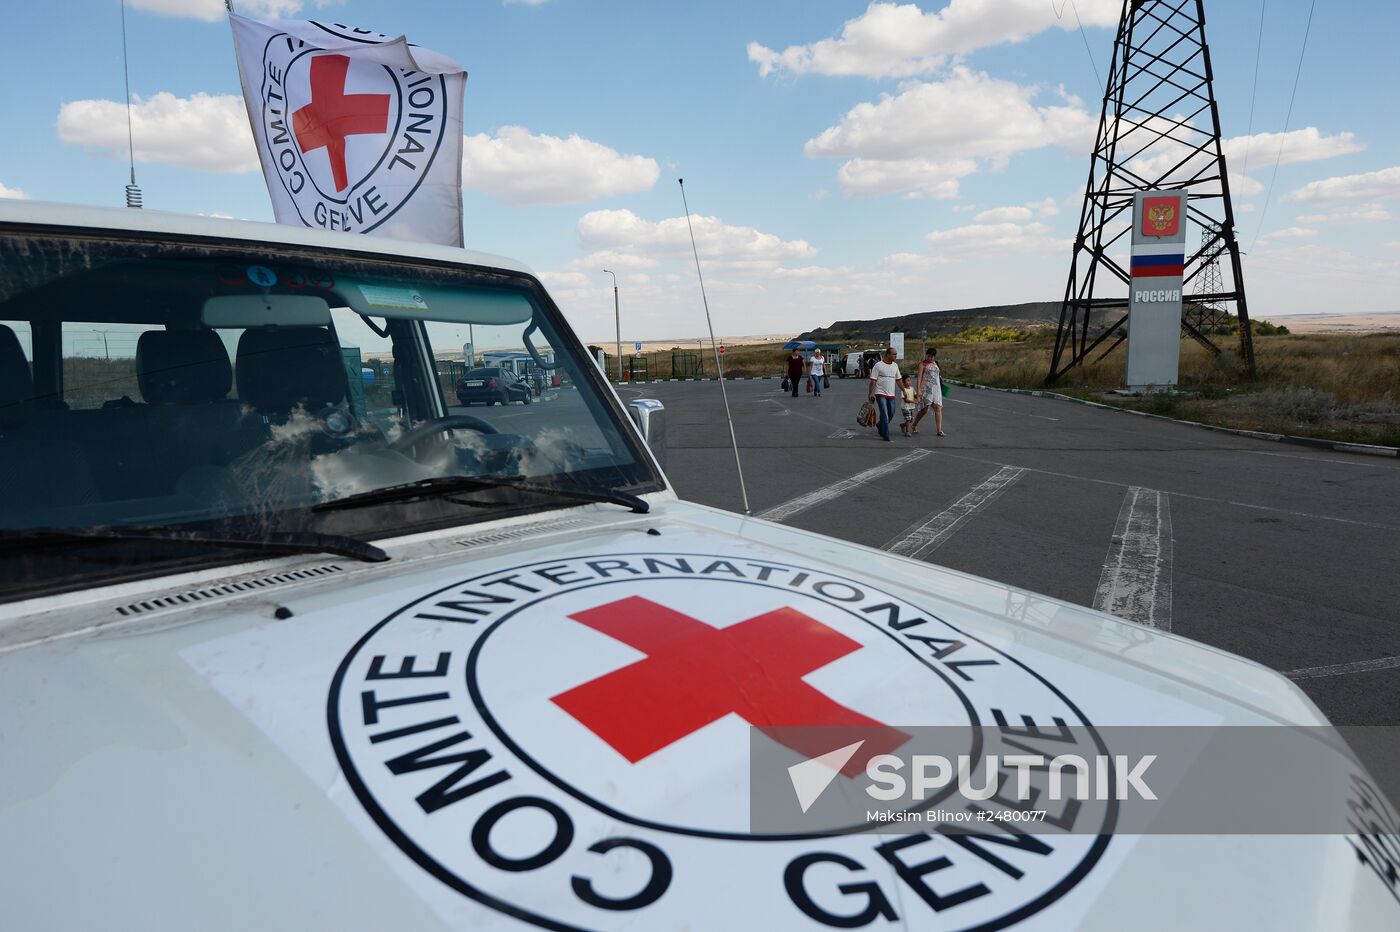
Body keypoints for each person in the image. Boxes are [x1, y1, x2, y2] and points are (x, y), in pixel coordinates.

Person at [867, 347, 905, 442]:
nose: (895, 356)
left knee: (891, 413)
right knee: (884, 414)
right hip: (880, 393)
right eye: (894, 354)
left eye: (896, 354)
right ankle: (886, 434)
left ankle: (880, 425)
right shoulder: (878, 365)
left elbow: (899, 380)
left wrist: (904, 390)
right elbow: (873, 381)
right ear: (888, 354)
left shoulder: (895, 366)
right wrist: (871, 393)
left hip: (891, 394)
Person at [913, 346, 946, 437]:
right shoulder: (922, 364)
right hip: (926, 389)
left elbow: (938, 377)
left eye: (931, 356)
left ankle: (939, 430)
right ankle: (914, 424)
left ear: (934, 356)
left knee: (938, 408)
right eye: (928, 356)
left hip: (936, 389)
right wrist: (918, 390)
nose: (929, 358)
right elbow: (919, 378)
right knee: (924, 410)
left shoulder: (936, 363)